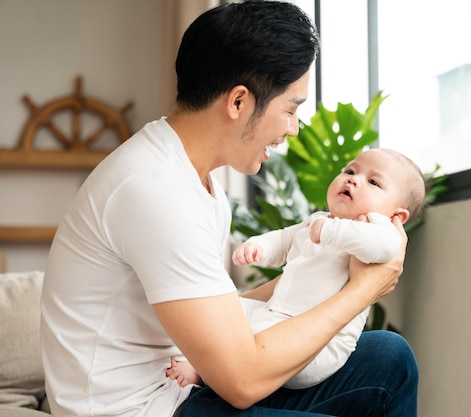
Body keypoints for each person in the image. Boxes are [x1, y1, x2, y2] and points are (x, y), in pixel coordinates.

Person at [40, 2, 419, 417]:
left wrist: (329, 273)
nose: (293, 127)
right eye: (291, 109)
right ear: (238, 101)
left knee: (389, 358)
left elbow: (217, 309)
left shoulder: (196, 181)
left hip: (180, 391)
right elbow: (242, 382)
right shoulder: (154, 190)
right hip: (141, 410)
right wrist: (366, 288)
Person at [166, 148, 425, 390]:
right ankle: (187, 353)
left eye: (374, 182)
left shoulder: (378, 231)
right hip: (277, 315)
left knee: (243, 347)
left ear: (396, 216)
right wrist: (260, 247)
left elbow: (382, 247)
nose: (353, 180)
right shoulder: (319, 220)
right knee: (228, 310)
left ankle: (204, 374)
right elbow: (284, 240)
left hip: (319, 348)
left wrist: (333, 231)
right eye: (350, 171)